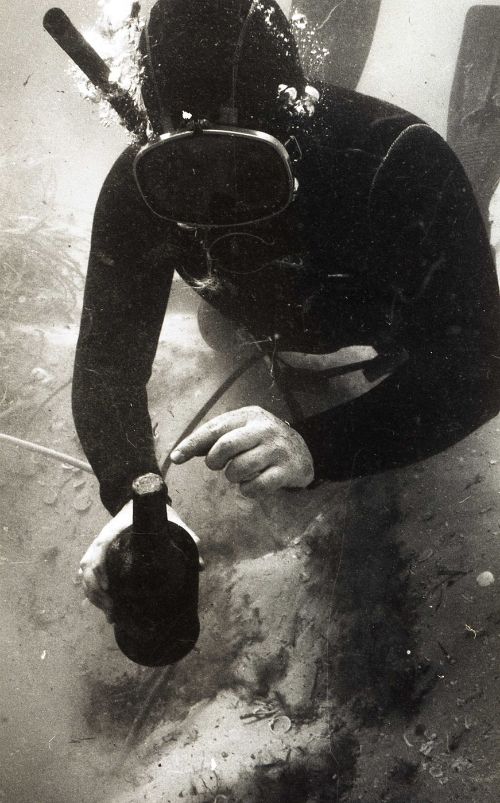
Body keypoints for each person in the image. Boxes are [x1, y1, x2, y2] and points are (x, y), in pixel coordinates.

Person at [75, 0, 499, 616]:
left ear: (291, 140)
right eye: (182, 172)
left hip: (377, 303)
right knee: (217, 329)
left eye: (246, 170)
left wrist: (316, 448)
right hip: (266, 313)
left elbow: (483, 362)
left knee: (468, 199)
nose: (213, 206)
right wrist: (135, 501)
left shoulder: (396, 163)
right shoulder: (138, 186)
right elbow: (106, 364)